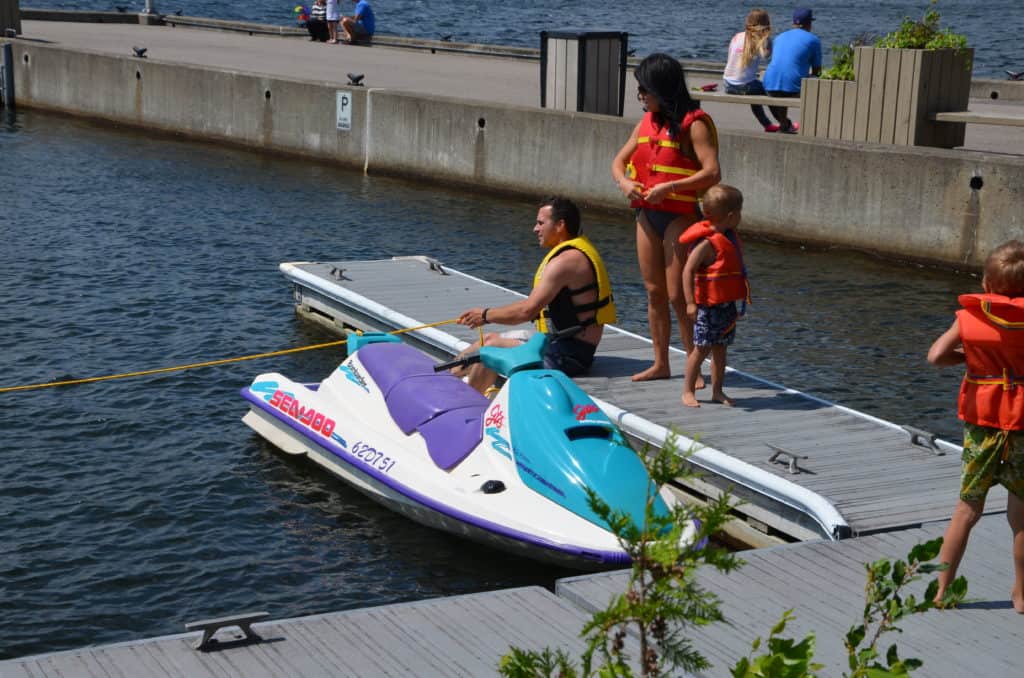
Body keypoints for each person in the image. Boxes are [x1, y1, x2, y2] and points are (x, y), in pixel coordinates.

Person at [611, 52, 722, 383]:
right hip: (648, 213)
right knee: (653, 291)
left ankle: (694, 364)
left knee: (678, 294)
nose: (641, 96)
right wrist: (625, 181)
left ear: (663, 89)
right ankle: (661, 363)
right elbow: (618, 161)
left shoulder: (696, 123)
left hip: (680, 215)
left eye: (645, 90)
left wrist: (672, 186)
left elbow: (713, 172)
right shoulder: (645, 123)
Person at [927, 240, 1024, 613]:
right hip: (1021, 427)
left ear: (986, 283)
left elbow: (935, 356)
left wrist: (971, 359)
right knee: (1021, 516)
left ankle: (941, 592)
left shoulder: (971, 318)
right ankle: (1020, 594)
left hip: (983, 426)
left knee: (967, 509)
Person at [456, 196, 616, 393]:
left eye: (541, 223)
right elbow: (530, 307)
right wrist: (486, 315)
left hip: (569, 356)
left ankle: (466, 406)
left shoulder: (567, 261)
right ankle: (441, 379)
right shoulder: (571, 253)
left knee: (491, 349)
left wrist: (485, 315)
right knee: (487, 338)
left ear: (560, 225)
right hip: (559, 344)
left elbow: (526, 312)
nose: (535, 229)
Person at [679, 185, 749, 408]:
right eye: (739, 212)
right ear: (731, 216)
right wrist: (690, 303)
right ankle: (687, 391)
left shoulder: (728, 237)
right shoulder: (708, 243)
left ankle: (717, 391)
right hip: (708, 307)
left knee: (721, 350)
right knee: (700, 349)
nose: (740, 216)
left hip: (726, 307)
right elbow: (688, 270)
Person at [762, 7, 822, 133]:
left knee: (781, 85)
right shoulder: (814, 40)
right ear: (809, 24)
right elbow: (817, 70)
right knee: (816, 84)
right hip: (793, 89)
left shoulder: (779, 37)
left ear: (794, 23)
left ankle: (784, 124)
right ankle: (812, 127)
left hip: (769, 86)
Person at [723, 8, 782, 132]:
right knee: (770, 91)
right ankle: (785, 123)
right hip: (744, 85)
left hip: (727, 83)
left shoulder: (736, 36)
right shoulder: (760, 39)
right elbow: (767, 56)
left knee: (755, 88)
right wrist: (769, 41)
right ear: (765, 25)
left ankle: (767, 124)